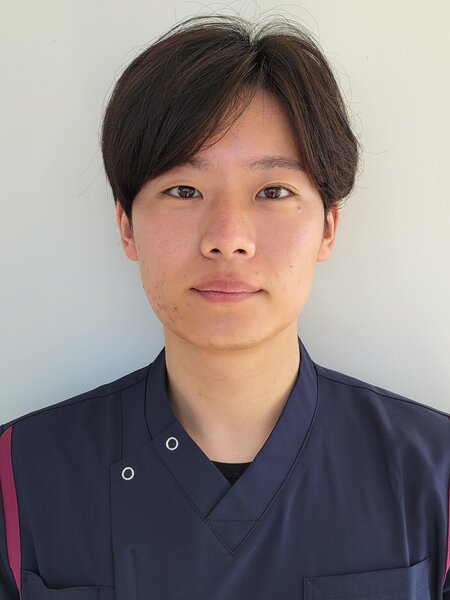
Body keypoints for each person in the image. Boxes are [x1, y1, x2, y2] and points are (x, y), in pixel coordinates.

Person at [1, 13, 448, 600]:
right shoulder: (20, 477)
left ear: (328, 228)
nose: (228, 238)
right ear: (127, 226)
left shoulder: (433, 475)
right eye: (184, 190)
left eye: (273, 191)